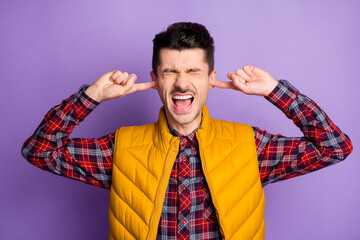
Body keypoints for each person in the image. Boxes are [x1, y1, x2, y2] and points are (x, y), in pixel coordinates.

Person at [22, 22, 353, 240]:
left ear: (210, 79)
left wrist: (274, 91)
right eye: (170, 72)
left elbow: (333, 147)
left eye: (193, 70)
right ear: (155, 79)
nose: (181, 82)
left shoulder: (248, 145)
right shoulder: (121, 147)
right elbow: (39, 151)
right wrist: (91, 95)